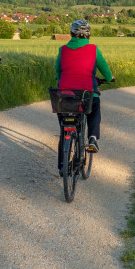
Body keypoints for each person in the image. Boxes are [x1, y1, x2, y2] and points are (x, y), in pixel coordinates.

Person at [55, 19, 114, 163]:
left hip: (64, 94)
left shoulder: (63, 50)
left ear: (71, 34)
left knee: (65, 126)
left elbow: (58, 71)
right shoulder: (93, 49)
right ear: (88, 35)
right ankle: (92, 138)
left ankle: (63, 161)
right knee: (94, 107)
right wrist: (109, 78)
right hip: (87, 94)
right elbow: (105, 70)